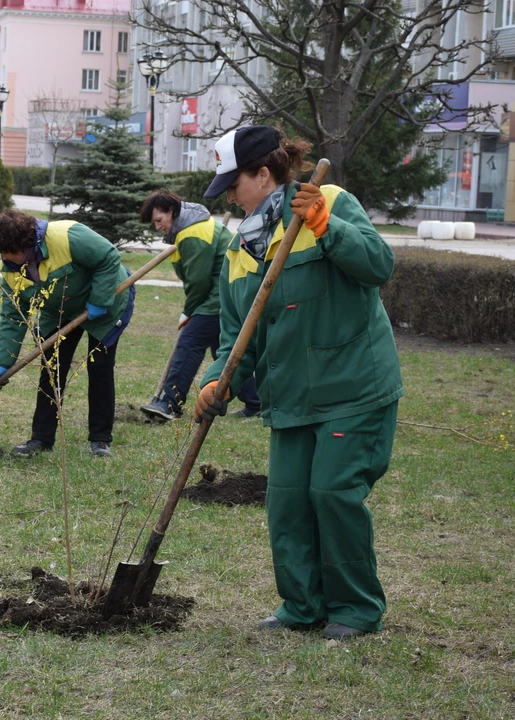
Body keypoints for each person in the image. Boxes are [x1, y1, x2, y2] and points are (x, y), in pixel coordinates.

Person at [196, 125, 403, 641]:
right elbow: (236, 336)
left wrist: (328, 227)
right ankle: (302, 605)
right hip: (290, 396)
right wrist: (216, 381)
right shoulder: (240, 250)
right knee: (287, 503)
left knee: (332, 493)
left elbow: (378, 266)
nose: (228, 195)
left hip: (352, 386)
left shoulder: (326, 201)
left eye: (232, 183)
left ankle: (355, 608)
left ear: (262, 175)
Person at [0, 209, 135, 458]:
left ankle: (100, 439)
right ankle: (41, 438)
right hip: (60, 310)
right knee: (51, 369)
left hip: (107, 300)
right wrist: (3, 362)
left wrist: (99, 299)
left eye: (7, 251)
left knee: (100, 369)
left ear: (25, 244)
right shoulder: (12, 268)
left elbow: (108, 256)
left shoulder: (67, 236)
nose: (4, 257)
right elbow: (14, 316)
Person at [137, 189, 261, 421]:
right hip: (223, 297)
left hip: (218, 298)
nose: (157, 227)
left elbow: (198, 281)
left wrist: (188, 311)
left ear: (172, 211)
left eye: (159, 220)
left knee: (189, 344)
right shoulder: (191, 228)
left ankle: (170, 404)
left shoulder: (192, 233)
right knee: (222, 351)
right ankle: (255, 402)